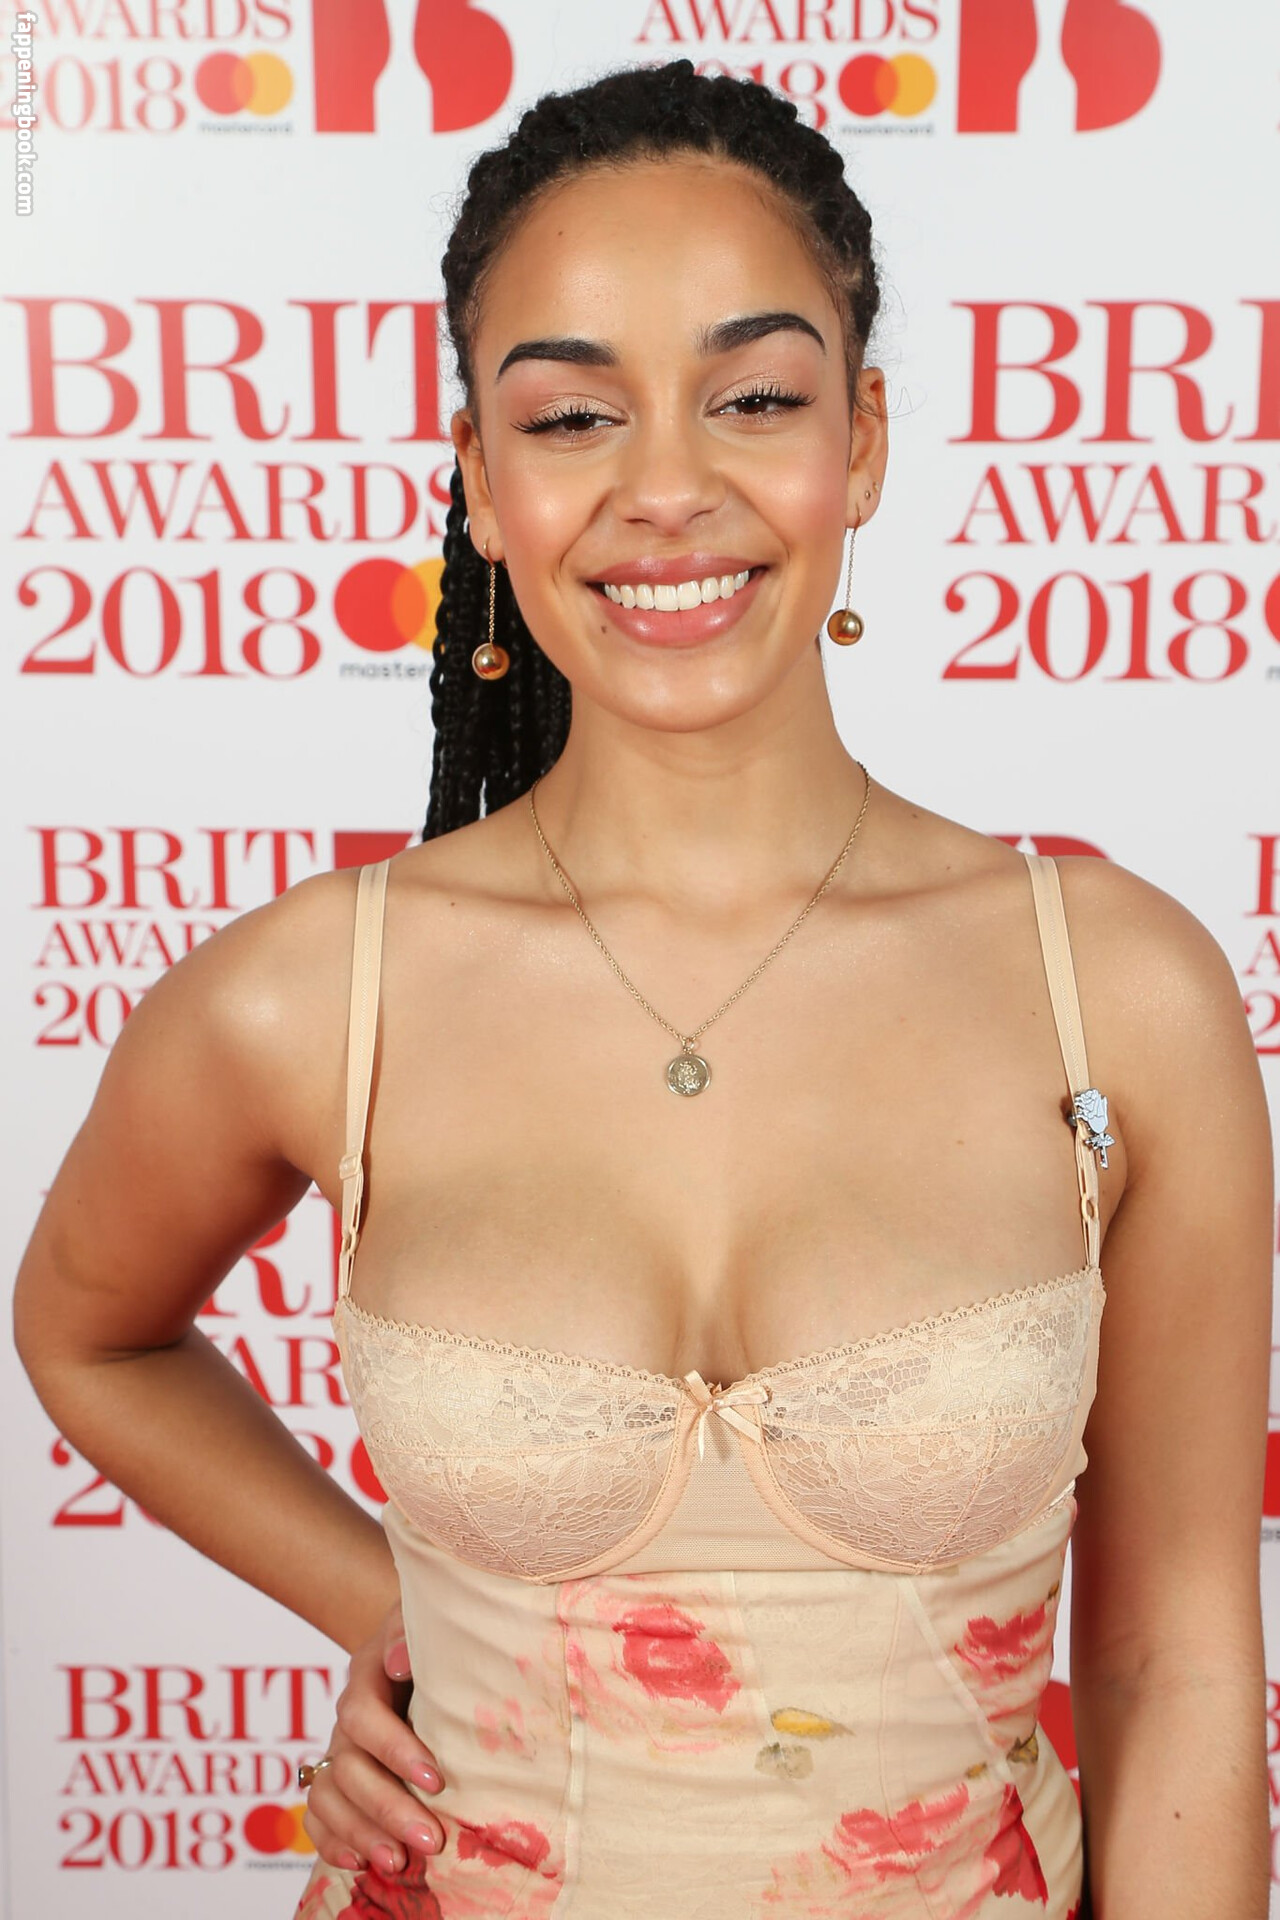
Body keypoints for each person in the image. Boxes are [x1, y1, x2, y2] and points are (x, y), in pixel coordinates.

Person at [13, 57, 1271, 1920]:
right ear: (481, 479)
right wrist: (392, 1610)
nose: (667, 489)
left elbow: (1180, 1662)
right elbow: (88, 1332)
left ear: (864, 439)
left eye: (753, 397)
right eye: (574, 416)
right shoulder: (312, 995)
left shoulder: (1119, 990)